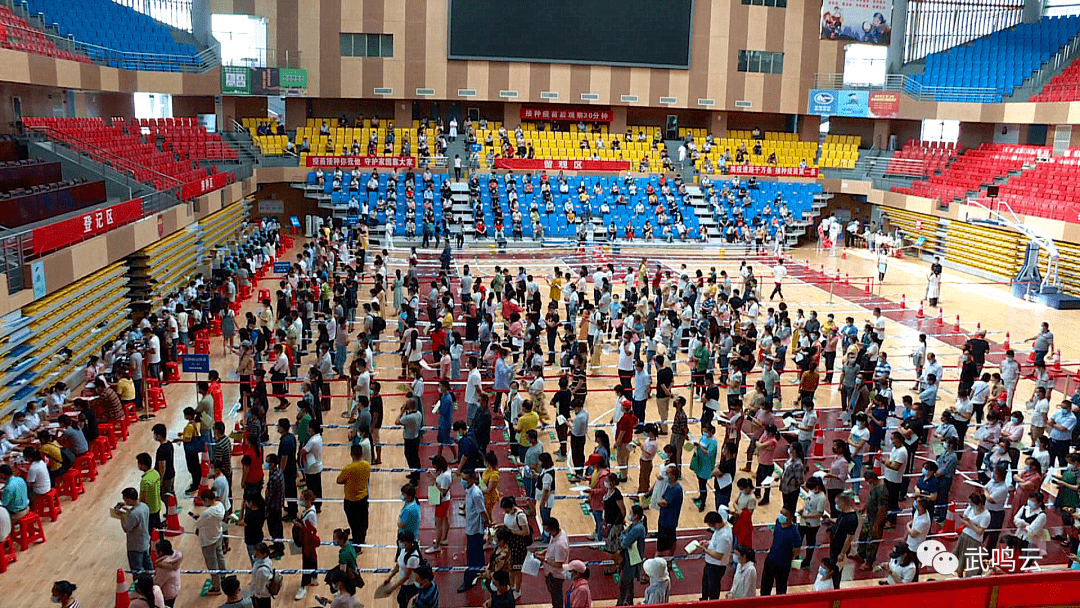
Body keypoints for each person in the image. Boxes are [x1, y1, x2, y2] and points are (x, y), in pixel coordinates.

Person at [460, 469, 491, 593]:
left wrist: (487, 524)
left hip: (475, 529)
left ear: (473, 480)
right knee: (478, 552)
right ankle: (481, 572)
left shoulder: (476, 494)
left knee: (472, 555)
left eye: (465, 479)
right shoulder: (469, 490)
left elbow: (482, 511)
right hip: (470, 526)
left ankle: (469, 580)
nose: (462, 481)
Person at [760, 507, 802, 595]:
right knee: (765, 587)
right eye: (780, 513)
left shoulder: (794, 532)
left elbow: (797, 550)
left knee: (781, 588)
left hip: (783, 565)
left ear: (790, 517)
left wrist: (787, 556)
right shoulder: (778, 523)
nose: (780, 515)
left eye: (783, 514)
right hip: (770, 560)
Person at [193, 488, 226, 595]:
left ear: (206, 500)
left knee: (212, 564)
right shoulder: (220, 506)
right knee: (220, 557)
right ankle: (223, 576)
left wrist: (199, 518)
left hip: (208, 541)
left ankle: (216, 586)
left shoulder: (207, 513)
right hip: (218, 535)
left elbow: (198, 524)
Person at [116, 487, 152, 574]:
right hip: (145, 542)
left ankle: (140, 585)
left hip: (135, 546)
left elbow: (127, 528)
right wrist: (127, 509)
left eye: (125, 499)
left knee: (137, 570)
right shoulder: (144, 506)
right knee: (148, 567)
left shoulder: (134, 514)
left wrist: (121, 516)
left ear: (129, 499)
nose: (125, 502)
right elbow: (138, 516)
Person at [701, 509, 733, 600]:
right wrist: (708, 543)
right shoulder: (721, 528)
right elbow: (716, 542)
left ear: (716, 524)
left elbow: (719, 556)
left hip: (716, 566)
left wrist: (705, 550)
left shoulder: (724, 536)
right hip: (710, 564)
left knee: (713, 589)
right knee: (706, 585)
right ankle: (704, 599)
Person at [539, 517, 570, 608]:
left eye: (546, 529)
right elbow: (552, 547)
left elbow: (559, 564)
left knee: (557, 598)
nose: (545, 531)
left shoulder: (560, 544)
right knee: (554, 596)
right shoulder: (558, 534)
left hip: (555, 576)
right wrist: (544, 551)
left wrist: (544, 559)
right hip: (550, 573)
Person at [656, 464, 683, 557]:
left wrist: (659, 501)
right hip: (663, 519)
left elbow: (664, 502)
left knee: (664, 544)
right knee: (670, 539)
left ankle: (663, 560)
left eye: (667, 474)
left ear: (673, 476)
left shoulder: (676, 489)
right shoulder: (670, 486)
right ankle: (670, 559)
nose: (665, 476)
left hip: (669, 521)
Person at [798, 477, 826, 568]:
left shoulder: (821, 498)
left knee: (810, 542)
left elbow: (819, 513)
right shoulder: (811, 491)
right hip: (804, 520)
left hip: (813, 524)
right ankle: (795, 556)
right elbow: (808, 501)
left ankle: (807, 560)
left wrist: (807, 516)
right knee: (799, 539)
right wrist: (803, 509)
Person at [153, 538, 182, 607]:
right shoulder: (174, 558)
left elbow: (157, 583)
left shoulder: (164, 568)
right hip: (174, 588)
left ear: (161, 552)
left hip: (167, 593)